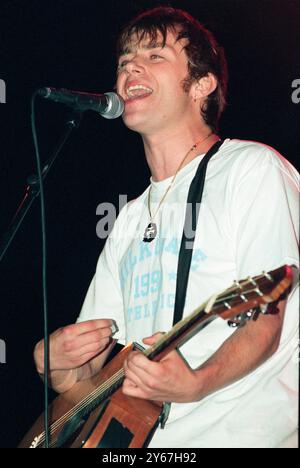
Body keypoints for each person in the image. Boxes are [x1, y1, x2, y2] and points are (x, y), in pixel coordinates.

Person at [34, 7, 299, 448]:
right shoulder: (130, 218)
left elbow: (266, 318)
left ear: (201, 85)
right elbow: (93, 379)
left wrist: (196, 382)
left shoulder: (250, 169)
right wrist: (58, 367)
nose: (130, 66)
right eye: (124, 60)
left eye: (154, 55)